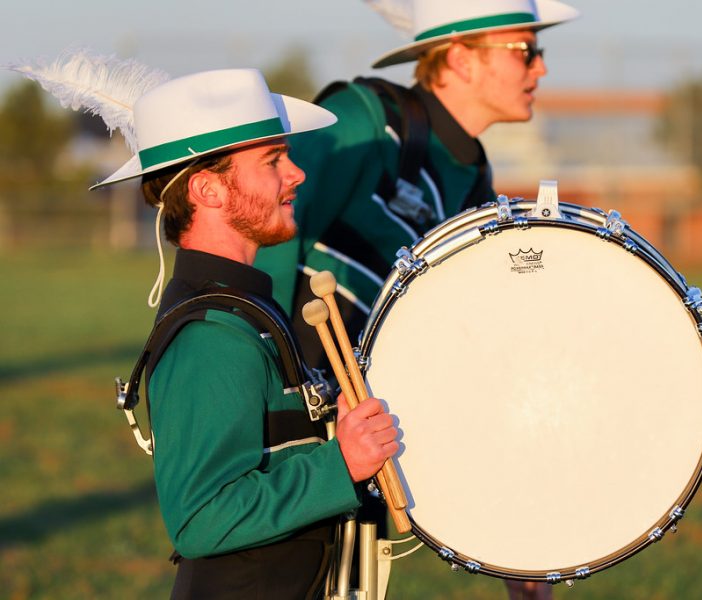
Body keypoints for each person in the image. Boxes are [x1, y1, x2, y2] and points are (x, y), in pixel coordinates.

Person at [253, 2, 578, 598]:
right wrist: (266, 389)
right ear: (459, 58)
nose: (541, 69)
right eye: (525, 51)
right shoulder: (365, 119)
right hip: (299, 427)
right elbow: (269, 237)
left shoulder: (473, 175)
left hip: (371, 426)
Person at [93, 68, 400, 599]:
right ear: (208, 189)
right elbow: (201, 517)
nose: (298, 174)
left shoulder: (251, 307)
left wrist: (333, 433)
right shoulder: (212, 333)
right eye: (273, 161)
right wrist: (340, 463)